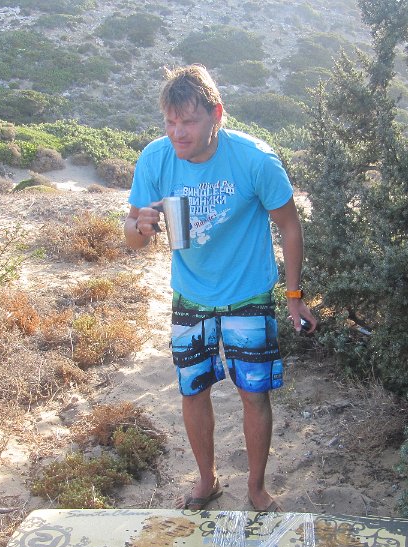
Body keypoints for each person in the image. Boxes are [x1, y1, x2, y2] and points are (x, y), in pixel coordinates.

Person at [124, 64, 316, 513]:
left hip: (249, 294)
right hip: (190, 295)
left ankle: (256, 488)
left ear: (217, 114)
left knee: (254, 392)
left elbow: (290, 227)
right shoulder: (155, 158)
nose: (178, 133)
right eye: (171, 122)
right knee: (193, 390)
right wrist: (140, 227)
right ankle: (207, 480)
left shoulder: (255, 159)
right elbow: (132, 236)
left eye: (189, 121)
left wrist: (294, 296)